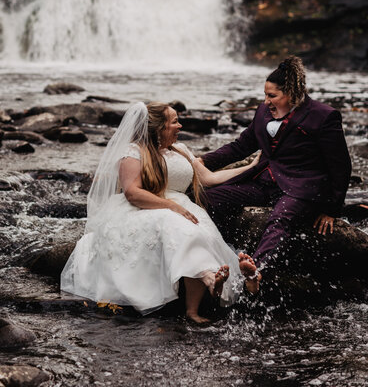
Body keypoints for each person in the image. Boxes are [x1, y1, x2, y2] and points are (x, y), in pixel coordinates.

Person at [61, 101, 260, 324]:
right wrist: (172, 207)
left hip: (182, 208)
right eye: (174, 122)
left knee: (198, 235)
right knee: (184, 232)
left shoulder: (181, 150)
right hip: (144, 208)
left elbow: (208, 178)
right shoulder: (133, 152)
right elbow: (132, 193)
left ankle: (198, 305)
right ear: (159, 127)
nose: (180, 126)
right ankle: (209, 280)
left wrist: (252, 167)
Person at [201, 56, 351, 295]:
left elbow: (340, 166)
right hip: (265, 181)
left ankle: (255, 272)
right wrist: (201, 161)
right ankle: (224, 254)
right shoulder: (262, 112)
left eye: (272, 96)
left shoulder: (324, 116)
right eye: (265, 95)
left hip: (303, 188)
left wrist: (332, 210)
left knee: (279, 220)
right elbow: (241, 146)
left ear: (291, 93)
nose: (266, 101)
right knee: (210, 199)